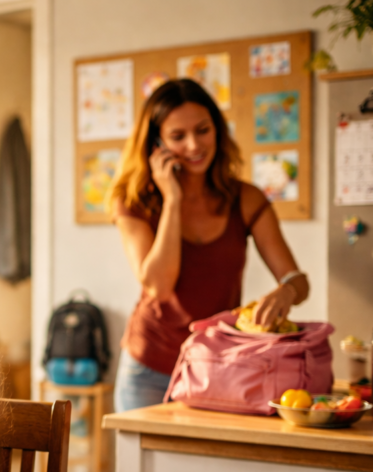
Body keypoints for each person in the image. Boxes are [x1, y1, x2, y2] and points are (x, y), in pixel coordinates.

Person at [108, 79, 309, 413]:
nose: (193, 145)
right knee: (137, 468)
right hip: (148, 367)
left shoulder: (245, 199)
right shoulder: (134, 201)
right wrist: (172, 199)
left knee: (206, 467)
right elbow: (157, 285)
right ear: (156, 143)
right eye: (177, 136)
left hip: (218, 366)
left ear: (217, 129)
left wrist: (286, 292)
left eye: (202, 130)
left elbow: (298, 281)